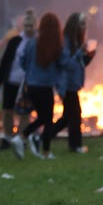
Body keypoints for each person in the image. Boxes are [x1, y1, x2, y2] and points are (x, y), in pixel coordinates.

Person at [12, 12, 64, 160]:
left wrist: (31, 73)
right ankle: (45, 151)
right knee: (47, 120)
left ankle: (23, 137)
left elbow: (22, 61)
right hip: (46, 86)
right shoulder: (56, 45)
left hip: (32, 86)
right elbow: (61, 65)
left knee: (42, 117)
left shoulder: (32, 43)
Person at [51, 12, 97, 154]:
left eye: (85, 24)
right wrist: (79, 53)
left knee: (67, 117)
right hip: (66, 85)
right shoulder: (66, 42)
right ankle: (75, 145)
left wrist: (88, 57)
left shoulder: (76, 42)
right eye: (81, 24)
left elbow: (78, 64)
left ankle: (43, 137)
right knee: (75, 114)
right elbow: (66, 63)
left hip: (72, 84)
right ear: (74, 25)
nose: (84, 27)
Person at [0, 8, 36, 152]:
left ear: (35, 26)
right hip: (11, 80)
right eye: (27, 26)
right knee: (7, 110)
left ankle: (21, 139)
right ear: (23, 26)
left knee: (24, 112)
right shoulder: (16, 41)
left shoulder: (37, 42)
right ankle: (7, 139)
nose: (29, 29)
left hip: (27, 83)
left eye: (31, 26)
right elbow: (5, 61)